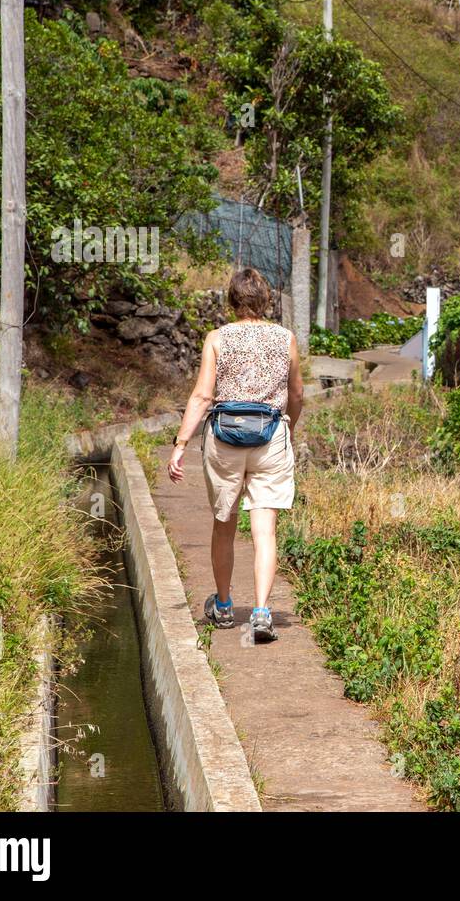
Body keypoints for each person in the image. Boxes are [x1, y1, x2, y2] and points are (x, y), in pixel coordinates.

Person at [167, 268, 303, 643]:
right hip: (270, 437)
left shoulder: (217, 338)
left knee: (224, 521)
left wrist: (180, 444)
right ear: (266, 300)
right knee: (265, 529)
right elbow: (298, 393)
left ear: (232, 301)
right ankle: (261, 613)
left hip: (224, 440)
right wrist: (289, 426)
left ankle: (224, 606)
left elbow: (202, 396)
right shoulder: (285, 338)